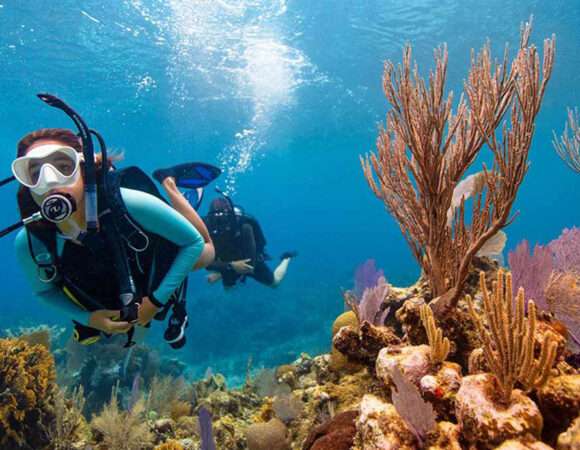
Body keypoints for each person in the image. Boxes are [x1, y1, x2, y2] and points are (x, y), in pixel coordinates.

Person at [12, 127, 215, 348]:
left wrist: (156, 301)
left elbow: (192, 242)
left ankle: (169, 183)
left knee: (207, 252)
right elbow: (44, 291)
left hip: (154, 260)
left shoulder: (130, 203)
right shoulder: (31, 242)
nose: (49, 181)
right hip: (118, 280)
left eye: (63, 166)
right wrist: (89, 319)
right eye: (34, 173)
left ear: (84, 169)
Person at [199, 195, 297, 289]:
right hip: (228, 261)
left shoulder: (244, 227)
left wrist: (222, 272)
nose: (219, 223)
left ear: (231, 216)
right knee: (228, 289)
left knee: (275, 282)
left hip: (249, 258)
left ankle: (286, 258)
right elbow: (203, 262)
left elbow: (250, 265)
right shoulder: (206, 227)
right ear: (210, 218)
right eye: (216, 220)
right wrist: (229, 266)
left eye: (223, 219)